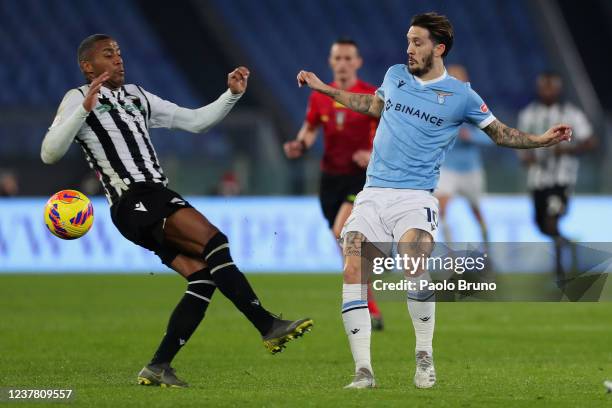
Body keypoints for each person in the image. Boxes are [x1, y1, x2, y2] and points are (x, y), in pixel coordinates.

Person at [297, 12, 572, 389]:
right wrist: (325, 89)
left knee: (413, 261)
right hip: (374, 191)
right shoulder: (395, 75)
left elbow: (501, 134)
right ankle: (363, 372)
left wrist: (542, 140)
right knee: (352, 269)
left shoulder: (462, 95)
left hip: (415, 196)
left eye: (417, 42)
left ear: (438, 48)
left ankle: (424, 359)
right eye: (408, 41)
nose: (408, 49)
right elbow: (373, 106)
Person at [40, 34, 313, 388]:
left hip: (151, 197)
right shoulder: (77, 98)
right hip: (134, 199)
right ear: (88, 66)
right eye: (109, 55)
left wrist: (231, 95)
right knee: (215, 241)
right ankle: (267, 325)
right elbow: (49, 152)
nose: (119, 59)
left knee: (202, 277)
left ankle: (158, 366)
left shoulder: (137, 97)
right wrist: (83, 110)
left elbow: (195, 121)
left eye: (120, 53)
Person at [283, 38, 384, 330]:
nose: (342, 63)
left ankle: (367, 308)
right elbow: (311, 128)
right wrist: (299, 145)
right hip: (329, 178)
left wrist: (371, 152)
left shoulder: (370, 95)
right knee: (344, 242)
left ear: (358, 62)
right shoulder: (319, 96)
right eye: (337, 58)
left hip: (359, 177)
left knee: (343, 232)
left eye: (347, 58)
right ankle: (371, 296)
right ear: (331, 62)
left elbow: (386, 132)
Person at [517, 71, 596, 279]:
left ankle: (560, 271)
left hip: (562, 179)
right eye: (544, 86)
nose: (548, 91)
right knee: (541, 225)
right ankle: (567, 245)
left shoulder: (571, 113)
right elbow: (520, 143)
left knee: (552, 217)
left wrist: (568, 150)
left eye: (551, 86)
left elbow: (590, 141)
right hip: (537, 179)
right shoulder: (528, 114)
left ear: (558, 88)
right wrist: (526, 158)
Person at [435, 65, 492, 242]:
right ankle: (450, 254)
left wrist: (471, 136)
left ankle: (486, 244)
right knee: (440, 209)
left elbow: (492, 137)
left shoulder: (475, 105)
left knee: (476, 210)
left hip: (471, 169)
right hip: (447, 168)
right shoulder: (438, 105)